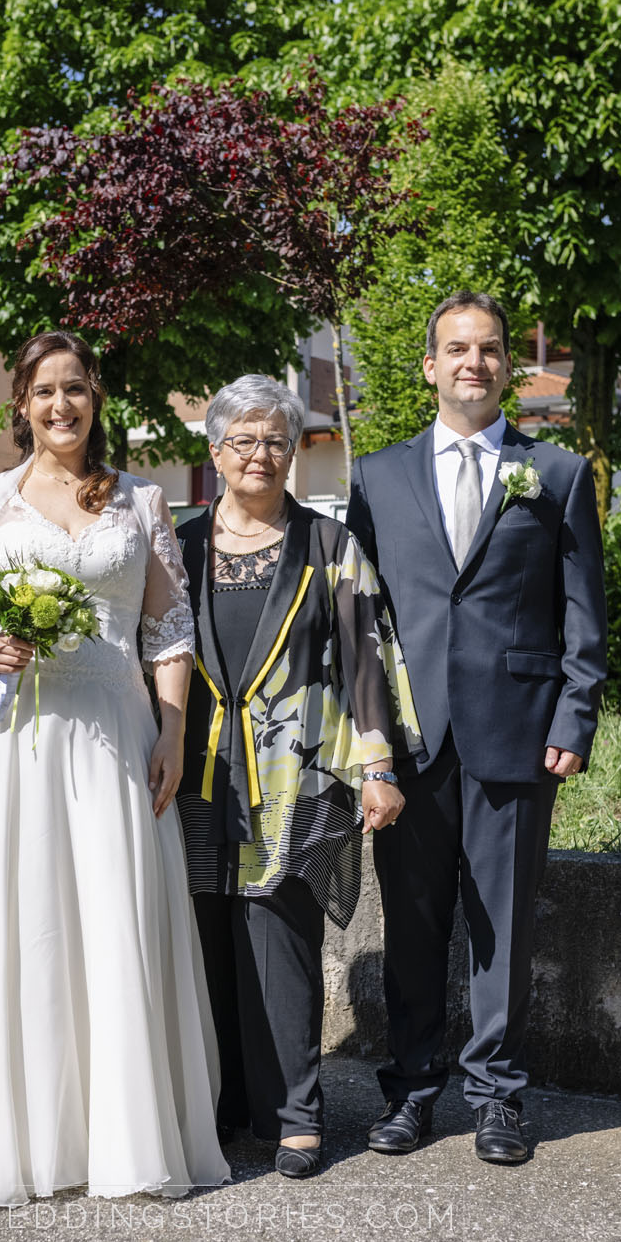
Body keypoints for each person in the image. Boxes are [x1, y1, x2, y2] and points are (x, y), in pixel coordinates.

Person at [0, 331, 228, 1207]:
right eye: (43, 393)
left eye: (74, 389)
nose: (59, 407)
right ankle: (20, 1132)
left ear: (97, 396)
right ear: (23, 406)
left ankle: (117, 1133)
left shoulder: (142, 503)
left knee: (112, 917)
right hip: (12, 739)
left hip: (114, 732)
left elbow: (170, 630)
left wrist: (172, 733)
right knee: (21, 919)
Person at [345, 292, 605, 1165]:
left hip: (519, 733)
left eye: (490, 350)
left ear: (508, 368)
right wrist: (368, 738)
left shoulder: (557, 475)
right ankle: (412, 1092)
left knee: (503, 926)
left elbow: (583, 613)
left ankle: (497, 1097)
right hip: (410, 743)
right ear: (430, 366)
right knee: (412, 926)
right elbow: (360, 619)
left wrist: (576, 713)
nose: (474, 363)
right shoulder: (377, 477)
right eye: (457, 349)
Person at [173, 375, 421, 1180]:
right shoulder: (176, 547)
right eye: (242, 440)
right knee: (204, 947)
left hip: (297, 781)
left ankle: (296, 1117)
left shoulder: (329, 545)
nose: (260, 455)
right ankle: (221, 1108)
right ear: (213, 453)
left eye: (275, 441)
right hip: (193, 781)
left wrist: (378, 765)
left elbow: (366, 663)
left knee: (282, 947)